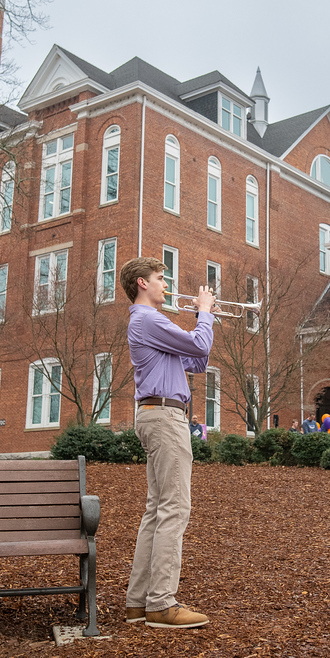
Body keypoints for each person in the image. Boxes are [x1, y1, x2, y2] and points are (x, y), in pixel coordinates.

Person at [121, 257, 215, 630]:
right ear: (142, 284)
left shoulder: (149, 323)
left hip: (157, 415)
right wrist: (204, 313)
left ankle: (138, 602)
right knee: (175, 509)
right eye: (161, 279)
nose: (166, 284)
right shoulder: (147, 319)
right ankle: (161, 603)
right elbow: (199, 342)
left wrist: (202, 318)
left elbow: (198, 359)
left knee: (157, 511)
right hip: (165, 417)